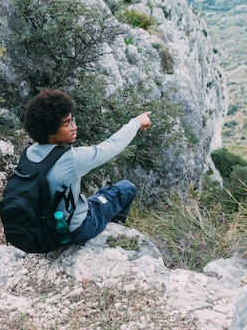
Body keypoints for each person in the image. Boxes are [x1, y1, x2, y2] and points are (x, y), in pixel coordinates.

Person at [22, 89, 152, 244]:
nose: (74, 127)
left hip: (41, 229)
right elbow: (112, 146)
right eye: (67, 123)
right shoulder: (71, 160)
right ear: (50, 132)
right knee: (125, 189)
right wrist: (136, 122)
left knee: (97, 195)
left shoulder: (28, 153)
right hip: (76, 230)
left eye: (72, 120)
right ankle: (116, 231)